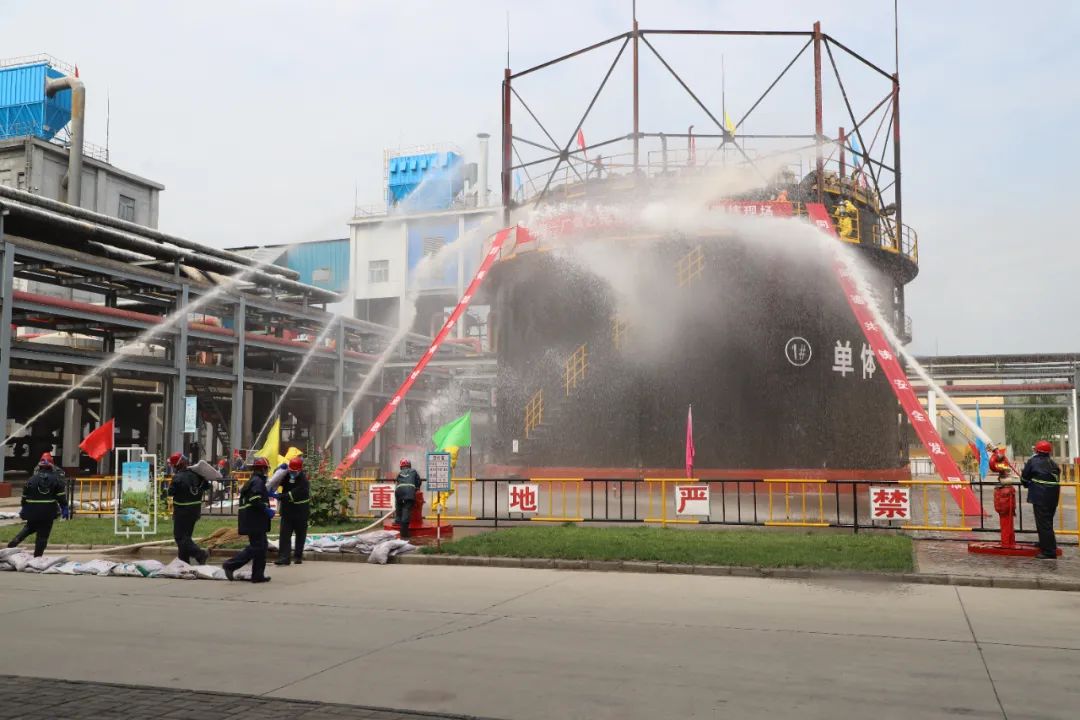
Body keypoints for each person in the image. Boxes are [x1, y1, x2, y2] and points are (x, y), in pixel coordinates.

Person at [7, 452, 68, 557]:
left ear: (39, 466)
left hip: (32, 512)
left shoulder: (31, 479)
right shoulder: (56, 479)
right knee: (42, 536)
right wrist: (65, 508)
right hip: (47, 513)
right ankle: (37, 557)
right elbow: (61, 497)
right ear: (51, 466)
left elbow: (24, 497)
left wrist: (24, 508)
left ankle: (14, 542)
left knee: (29, 528)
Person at [223, 456, 272, 583]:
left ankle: (258, 575)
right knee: (257, 547)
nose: (267, 471)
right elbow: (255, 499)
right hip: (254, 520)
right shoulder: (257, 481)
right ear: (262, 469)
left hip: (254, 519)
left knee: (262, 547)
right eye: (266, 469)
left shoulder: (254, 480)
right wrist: (266, 509)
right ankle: (230, 565)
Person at [1021, 440, 1061, 559]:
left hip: (1040, 496)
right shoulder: (1053, 464)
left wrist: (1026, 483)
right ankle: (1045, 543)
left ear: (1037, 450)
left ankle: (1049, 552)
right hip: (1053, 497)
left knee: (1044, 524)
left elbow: (1024, 478)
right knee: (1047, 522)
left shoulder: (1033, 461)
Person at [166, 452, 209, 565]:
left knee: (180, 537)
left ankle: (200, 554)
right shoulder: (196, 475)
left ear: (177, 465)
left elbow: (171, 492)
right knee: (186, 537)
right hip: (195, 511)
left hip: (182, 511)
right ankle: (184, 562)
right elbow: (207, 486)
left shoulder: (177, 477)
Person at [275, 456, 310, 566]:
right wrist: (279, 470)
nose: (292, 473)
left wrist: (281, 496)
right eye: (291, 471)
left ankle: (298, 556)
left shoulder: (303, 481)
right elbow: (276, 480)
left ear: (300, 470)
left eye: (294, 472)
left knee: (300, 534)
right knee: (284, 535)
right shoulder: (286, 475)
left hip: (301, 511)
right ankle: (284, 557)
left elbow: (295, 493)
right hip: (287, 510)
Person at [394, 458, 422, 539]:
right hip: (409, 492)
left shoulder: (399, 473)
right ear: (409, 465)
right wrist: (416, 488)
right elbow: (418, 481)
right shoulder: (413, 471)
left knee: (398, 506)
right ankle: (404, 534)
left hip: (399, 491)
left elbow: (397, 481)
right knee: (406, 510)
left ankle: (397, 521)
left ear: (401, 466)